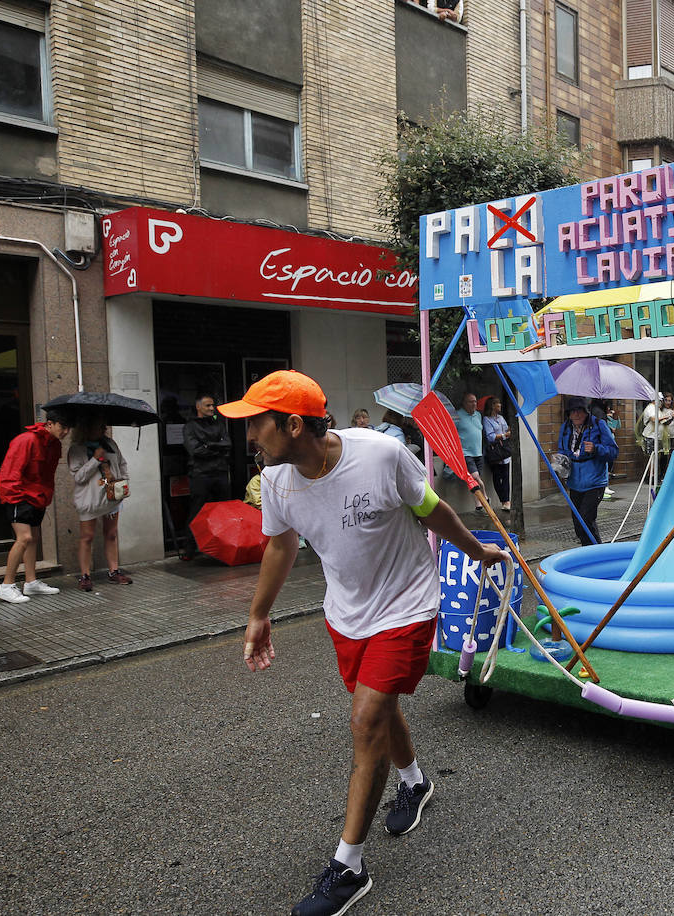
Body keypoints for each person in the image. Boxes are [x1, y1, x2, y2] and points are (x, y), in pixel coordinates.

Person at [223, 370, 506, 916]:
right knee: (378, 707)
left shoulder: (379, 455)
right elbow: (280, 548)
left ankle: (348, 867)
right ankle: (415, 782)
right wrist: (258, 614)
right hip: (346, 615)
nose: (251, 435)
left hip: (406, 604)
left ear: (295, 424)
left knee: (366, 719)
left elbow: (433, 511)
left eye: (258, 423)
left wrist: (474, 551)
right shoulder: (277, 480)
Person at [0, 407, 72, 603]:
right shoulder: (26, 440)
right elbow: (10, 471)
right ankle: (6, 585)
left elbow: (47, 475)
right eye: (62, 427)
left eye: (68, 428)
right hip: (19, 496)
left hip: (38, 497)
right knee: (24, 538)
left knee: (34, 538)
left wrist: (45, 496)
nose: (65, 432)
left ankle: (30, 582)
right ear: (50, 424)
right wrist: (15, 498)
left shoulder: (55, 445)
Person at [68, 417, 134, 591]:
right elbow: (79, 477)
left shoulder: (110, 444)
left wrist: (124, 481)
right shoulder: (77, 449)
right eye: (99, 425)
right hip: (89, 499)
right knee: (87, 536)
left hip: (111, 497)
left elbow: (122, 464)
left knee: (111, 534)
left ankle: (114, 571)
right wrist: (95, 460)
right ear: (87, 428)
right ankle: (85, 575)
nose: (104, 428)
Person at [557, 397, 618, 546]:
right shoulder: (565, 428)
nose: (576, 415)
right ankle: (588, 552)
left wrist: (596, 449)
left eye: (580, 411)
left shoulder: (599, 425)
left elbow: (613, 451)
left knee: (586, 520)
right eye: (573, 411)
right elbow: (562, 451)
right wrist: (559, 465)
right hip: (575, 483)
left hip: (595, 482)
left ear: (586, 412)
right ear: (568, 414)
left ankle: (596, 554)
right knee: (578, 524)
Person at [182, 393, 232, 560]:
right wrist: (217, 447)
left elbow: (228, 444)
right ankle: (190, 549)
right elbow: (195, 450)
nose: (212, 408)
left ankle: (224, 546)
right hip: (200, 475)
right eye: (208, 406)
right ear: (198, 407)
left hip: (219, 473)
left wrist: (209, 444)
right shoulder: (190, 426)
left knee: (223, 512)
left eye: (212, 405)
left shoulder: (219, 424)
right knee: (197, 512)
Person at [482, 396, 513, 511]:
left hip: (504, 451)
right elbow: (490, 436)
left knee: (505, 477)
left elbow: (505, 430)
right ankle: (503, 500)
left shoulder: (501, 418)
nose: (499, 405)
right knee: (497, 477)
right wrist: (504, 435)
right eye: (497, 403)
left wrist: (508, 431)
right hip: (495, 452)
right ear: (492, 406)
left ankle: (507, 501)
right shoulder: (487, 419)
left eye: (500, 403)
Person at [638, 393, 674, 481]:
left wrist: (669, 419)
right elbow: (654, 419)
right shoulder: (651, 408)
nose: (662, 403)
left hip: (658, 437)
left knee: (657, 457)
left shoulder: (658, 409)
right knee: (651, 457)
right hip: (650, 436)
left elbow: (663, 422)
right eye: (661, 400)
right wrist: (667, 416)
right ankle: (650, 477)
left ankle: (655, 476)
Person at [454, 392, 484, 485]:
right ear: (464, 403)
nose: (474, 404)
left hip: (478, 452)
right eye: (470, 402)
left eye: (475, 401)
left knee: (474, 481)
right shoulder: (457, 415)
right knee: (475, 477)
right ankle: (485, 497)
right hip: (465, 453)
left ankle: (479, 500)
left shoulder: (478, 415)